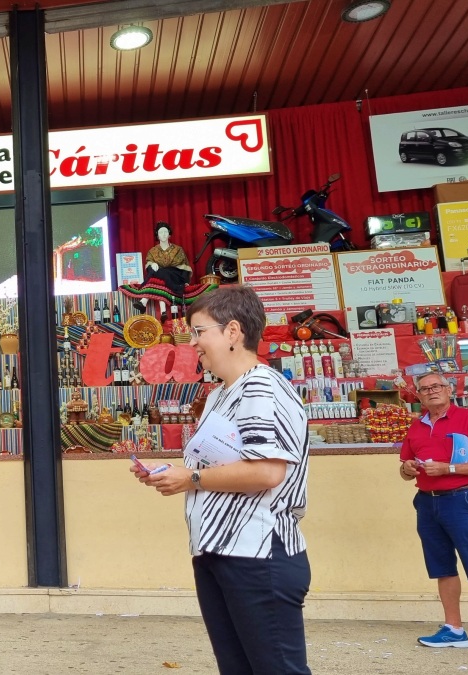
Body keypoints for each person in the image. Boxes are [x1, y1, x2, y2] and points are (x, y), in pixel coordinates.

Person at [132, 284, 311, 675]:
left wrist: (191, 478)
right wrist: (173, 475)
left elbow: (267, 471)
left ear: (233, 332)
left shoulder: (262, 388)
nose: (192, 343)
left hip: (257, 553)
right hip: (218, 551)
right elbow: (221, 465)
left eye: (199, 331)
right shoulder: (220, 395)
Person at [399, 372, 468, 655]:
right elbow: (405, 469)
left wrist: (447, 469)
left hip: (463, 499)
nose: (431, 391)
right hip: (427, 502)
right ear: (417, 396)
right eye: (424, 389)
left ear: (449, 389)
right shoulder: (416, 426)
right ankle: (454, 630)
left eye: (437, 386)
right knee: (442, 567)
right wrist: (406, 469)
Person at [134, 222, 192, 312]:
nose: (164, 234)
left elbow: (185, 267)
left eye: (166, 232)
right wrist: (152, 264)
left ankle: (144, 301)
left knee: (159, 273)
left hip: (175, 277)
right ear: (157, 235)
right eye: (161, 232)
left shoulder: (178, 249)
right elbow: (149, 268)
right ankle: (162, 311)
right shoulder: (153, 251)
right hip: (162, 276)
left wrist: (185, 281)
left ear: (169, 234)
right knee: (159, 274)